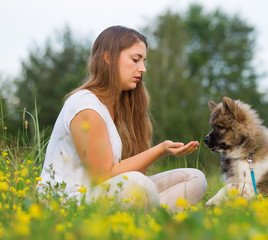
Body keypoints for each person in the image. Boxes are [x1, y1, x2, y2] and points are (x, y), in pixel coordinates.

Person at [38, 26, 207, 209]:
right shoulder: (85, 105)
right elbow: (104, 176)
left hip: (108, 194)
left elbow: (134, 174)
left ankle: (149, 217)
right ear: (108, 58)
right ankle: (155, 219)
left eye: (143, 61)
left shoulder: (121, 107)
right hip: (68, 202)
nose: (142, 69)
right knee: (137, 184)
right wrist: (161, 150)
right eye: (135, 59)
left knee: (195, 178)